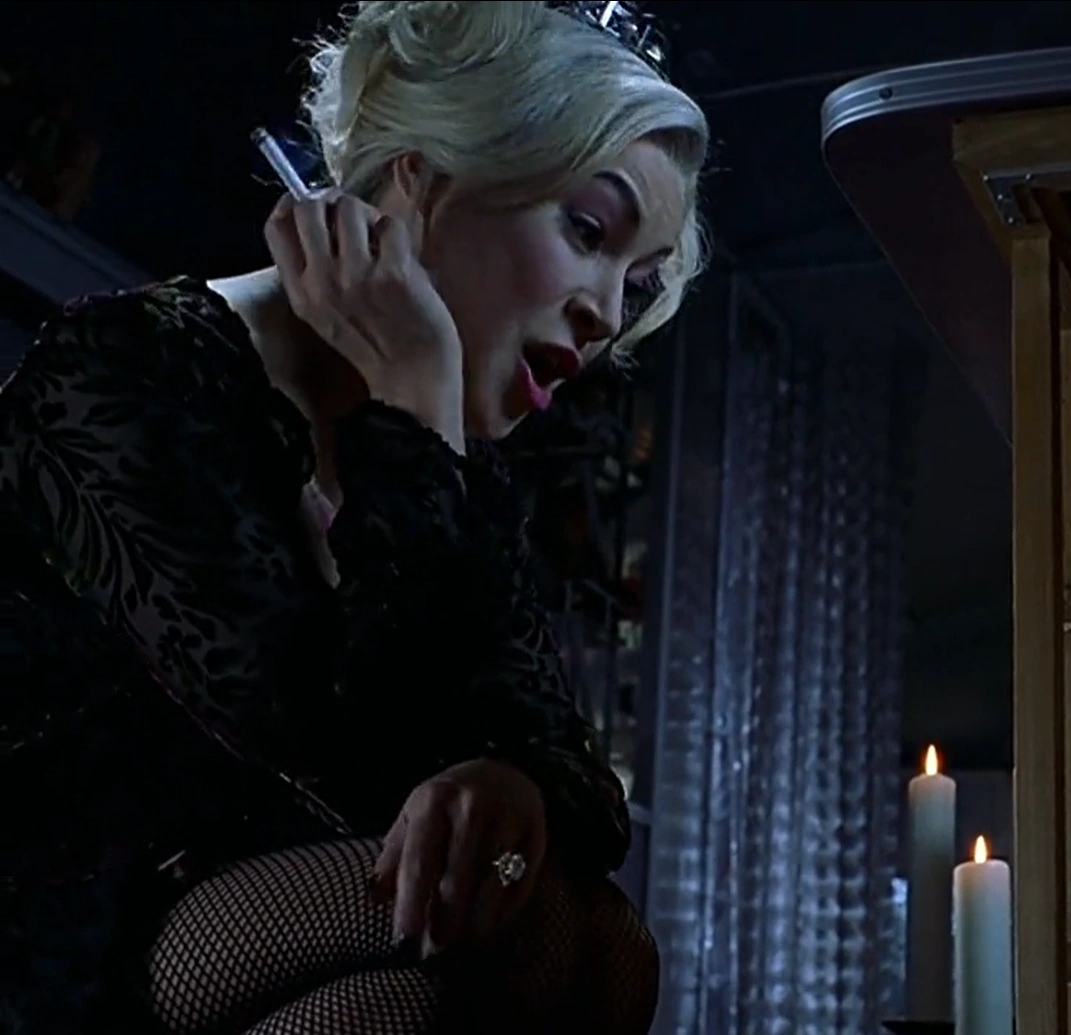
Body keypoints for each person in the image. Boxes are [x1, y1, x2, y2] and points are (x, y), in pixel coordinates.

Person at [0, 2, 706, 1032]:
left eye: (635, 285)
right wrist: (412, 398)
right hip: (61, 948)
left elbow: (580, 789)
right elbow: (336, 766)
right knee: (524, 941)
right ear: (421, 179)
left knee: (599, 947)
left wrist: (508, 780)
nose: (604, 313)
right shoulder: (126, 368)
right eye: (588, 232)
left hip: (262, 944)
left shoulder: (459, 481)